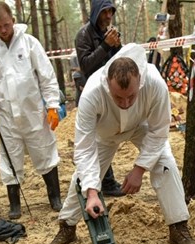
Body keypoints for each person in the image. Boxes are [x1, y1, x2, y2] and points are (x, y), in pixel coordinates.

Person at [47, 44, 195, 244]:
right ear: (108, 84)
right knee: (81, 179)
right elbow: (84, 147)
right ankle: (67, 226)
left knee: (166, 163)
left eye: (131, 96)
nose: (126, 103)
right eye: (118, 97)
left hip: (140, 126)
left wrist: (139, 169)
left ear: (140, 82)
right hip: (106, 133)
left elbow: (159, 132)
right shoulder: (92, 92)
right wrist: (92, 192)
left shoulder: (155, 85)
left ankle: (178, 226)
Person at [0, 1, 63, 220]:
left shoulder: (30, 43)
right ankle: (14, 203)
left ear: (13, 20)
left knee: (44, 150)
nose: (4, 30)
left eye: (6, 25)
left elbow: (46, 76)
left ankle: (54, 197)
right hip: (7, 116)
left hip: (33, 111)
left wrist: (52, 105)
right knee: (9, 155)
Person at [75, 0, 125, 197]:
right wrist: (106, 45)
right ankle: (103, 182)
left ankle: (106, 181)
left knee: (106, 136)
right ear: (96, 13)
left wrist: (118, 47)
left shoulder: (110, 32)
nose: (108, 16)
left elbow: (120, 63)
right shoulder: (83, 35)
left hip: (109, 92)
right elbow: (86, 66)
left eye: (110, 12)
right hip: (91, 94)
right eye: (104, 12)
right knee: (93, 141)